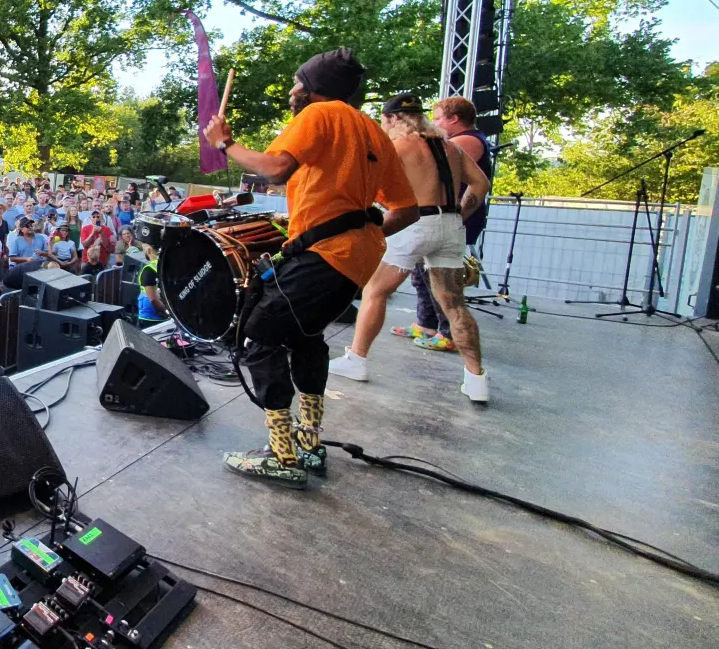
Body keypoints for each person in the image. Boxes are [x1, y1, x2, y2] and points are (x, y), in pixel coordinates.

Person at [203, 47, 419, 488]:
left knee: (259, 334)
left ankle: (283, 455)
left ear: (313, 88)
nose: (290, 90)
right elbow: (409, 209)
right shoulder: (374, 132)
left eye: (296, 82)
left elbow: (277, 169)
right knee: (305, 338)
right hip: (355, 260)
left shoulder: (321, 115)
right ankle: (310, 442)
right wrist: (363, 231)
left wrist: (226, 143)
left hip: (325, 255)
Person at [330, 94, 492, 401]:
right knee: (455, 305)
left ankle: (357, 360)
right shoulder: (452, 147)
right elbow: (480, 184)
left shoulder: (398, 146)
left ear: (392, 120)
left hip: (415, 224)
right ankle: (476, 381)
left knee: (375, 291)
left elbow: (365, 184)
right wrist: (461, 212)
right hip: (450, 225)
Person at [135, 240, 167, 328]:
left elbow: (153, 299)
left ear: (148, 250)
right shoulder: (166, 266)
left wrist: (165, 313)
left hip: (150, 318)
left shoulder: (149, 269)